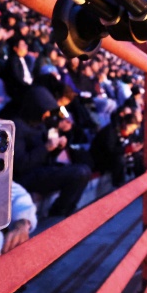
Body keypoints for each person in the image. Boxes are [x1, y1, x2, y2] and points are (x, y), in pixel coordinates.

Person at [9, 86, 91, 218]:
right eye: (45, 111)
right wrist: (46, 148)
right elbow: (20, 165)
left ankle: (67, 211)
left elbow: (46, 155)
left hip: (42, 169)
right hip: (27, 176)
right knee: (79, 173)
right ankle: (57, 215)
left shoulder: (40, 124)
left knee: (85, 169)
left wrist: (57, 147)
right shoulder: (16, 127)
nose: (48, 114)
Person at [89, 112, 143, 187]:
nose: (132, 131)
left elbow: (131, 142)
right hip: (102, 158)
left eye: (133, 129)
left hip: (117, 155)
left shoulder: (130, 133)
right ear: (124, 123)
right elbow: (110, 150)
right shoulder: (111, 131)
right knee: (120, 160)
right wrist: (127, 149)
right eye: (131, 127)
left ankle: (140, 182)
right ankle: (119, 185)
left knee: (138, 155)